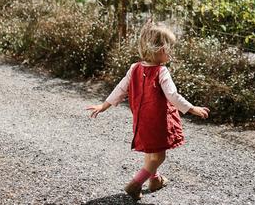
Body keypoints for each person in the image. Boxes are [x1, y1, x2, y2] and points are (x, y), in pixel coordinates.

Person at [86, 22, 210, 200]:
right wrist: (192, 109)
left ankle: (155, 180)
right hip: (158, 121)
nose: (170, 53)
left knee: (150, 152)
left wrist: (103, 106)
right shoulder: (162, 71)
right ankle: (136, 184)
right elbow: (172, 96)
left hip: (141, 121)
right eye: (169, 49)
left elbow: (120, 89)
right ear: (159, 49)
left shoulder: (134, 68)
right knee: (159, 157)